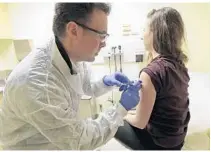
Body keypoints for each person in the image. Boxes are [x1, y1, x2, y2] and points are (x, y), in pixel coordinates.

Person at [0, 3, 142, 150]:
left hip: (56, 140)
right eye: (101, 35)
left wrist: (105, 82)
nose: (104, 44)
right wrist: (121, 109)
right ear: (73, 30)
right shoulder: (38, 83)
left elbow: (84, 86)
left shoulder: (71, 55)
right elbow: (79, 141)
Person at [115, 7, 191, 150]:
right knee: (130, 112)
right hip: (177, 141)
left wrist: (123, 115)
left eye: (145, 29)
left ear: (155, 34)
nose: (142, 35)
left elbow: (139, 122)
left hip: (159, 145)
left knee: (110, 119)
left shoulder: (150, 73)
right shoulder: (180, 66)